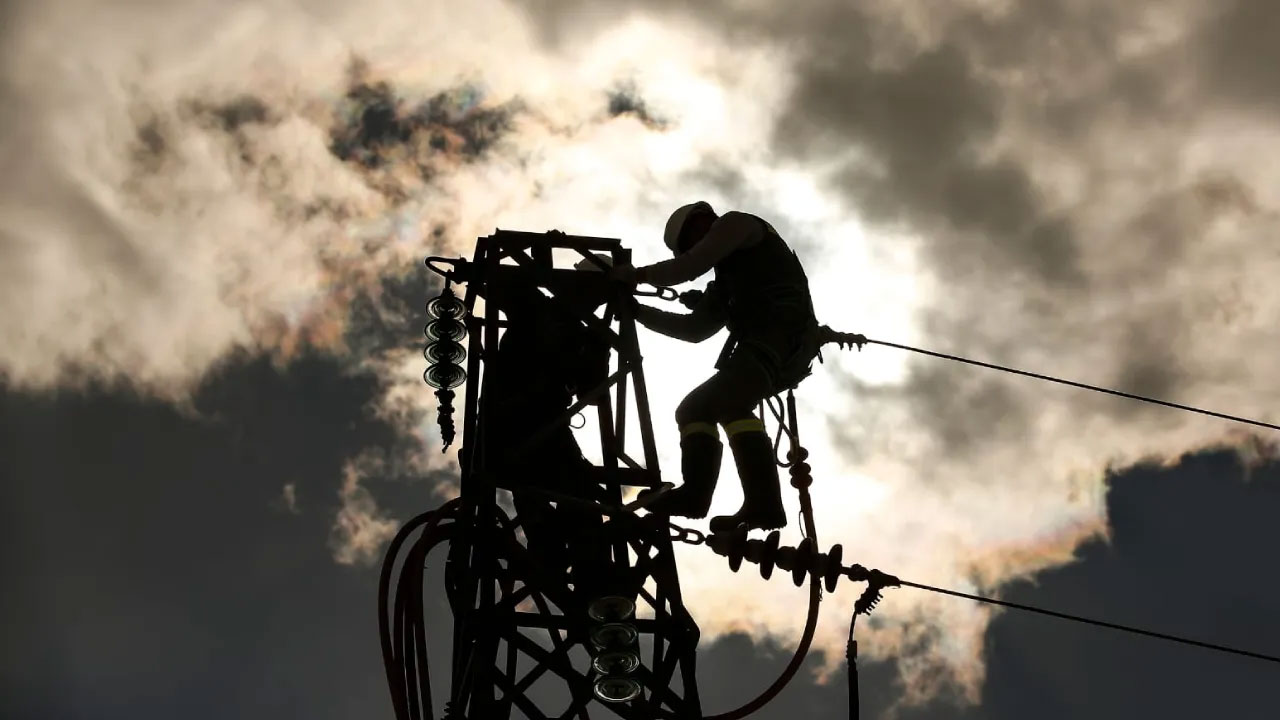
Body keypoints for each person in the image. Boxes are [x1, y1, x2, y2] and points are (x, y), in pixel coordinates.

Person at [610, 201, 820, 532]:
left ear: (702, 220)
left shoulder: (739, 224)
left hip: (780, 337)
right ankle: (707, 499)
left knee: (726, 402)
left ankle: (758, 504)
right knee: (694, 411)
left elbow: (689, 266)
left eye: (693, 242)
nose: (697, 248)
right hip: (772, 347)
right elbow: (694, 330)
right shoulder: (727, 281)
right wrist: (638, 313)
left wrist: (637, 276)